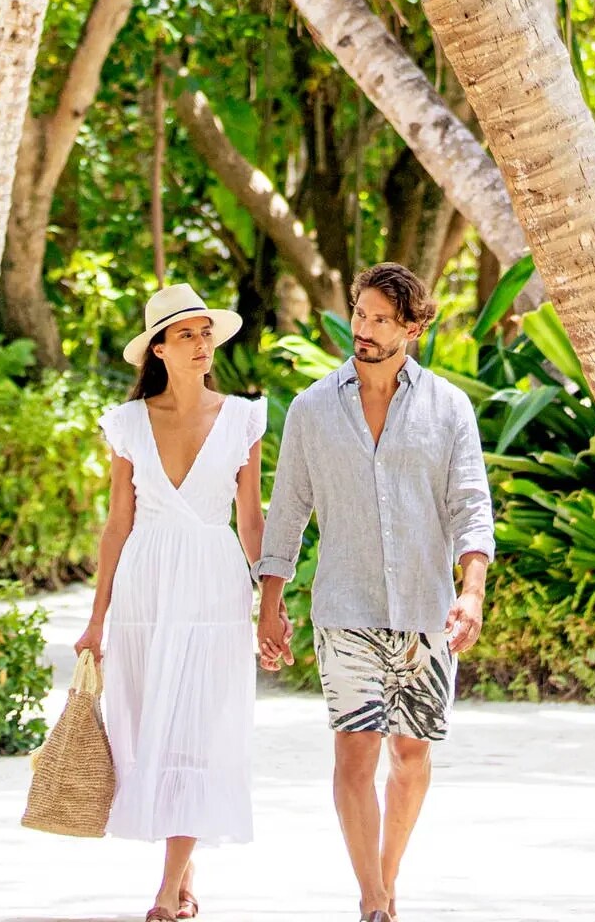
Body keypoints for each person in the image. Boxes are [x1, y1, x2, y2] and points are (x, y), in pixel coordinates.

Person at [255, 262, 494, 922]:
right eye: (359, 314)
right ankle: (372, 902)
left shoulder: (449, 408)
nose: (362, 329)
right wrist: (269, 606)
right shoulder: (311, 410)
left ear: (413, 328)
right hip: (346, 607)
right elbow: (287, 513)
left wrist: (470, 591)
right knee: (355, 751)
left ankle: (386, 881)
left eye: (380, 319)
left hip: (424, 608)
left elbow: (472, 507)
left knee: (411, 756)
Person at [74, 283, 279, 922]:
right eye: (185, 333)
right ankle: (184, 870)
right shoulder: (129, 424)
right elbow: (117, 525)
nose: (200, 343)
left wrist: (273, 601)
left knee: (198, 724)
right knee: (149, 726)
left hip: (215, 581)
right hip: (147, 582)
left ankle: (167, 892)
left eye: (205, 331)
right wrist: (95, 619)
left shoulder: (244, 418)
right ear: (158, 349)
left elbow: (251, 523)